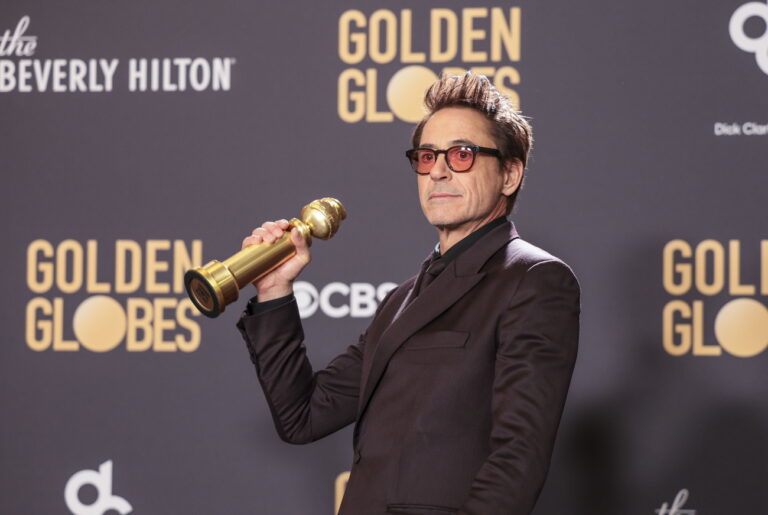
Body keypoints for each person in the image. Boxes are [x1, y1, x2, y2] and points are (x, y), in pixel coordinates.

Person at [236, 72, 580, 515]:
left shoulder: (534, 279)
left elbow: (517, 459)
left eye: (461, 154)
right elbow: (301, 417)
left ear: (510, 174)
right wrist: (274, 291)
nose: (438, 170)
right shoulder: (401, 301)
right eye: (426, 156)